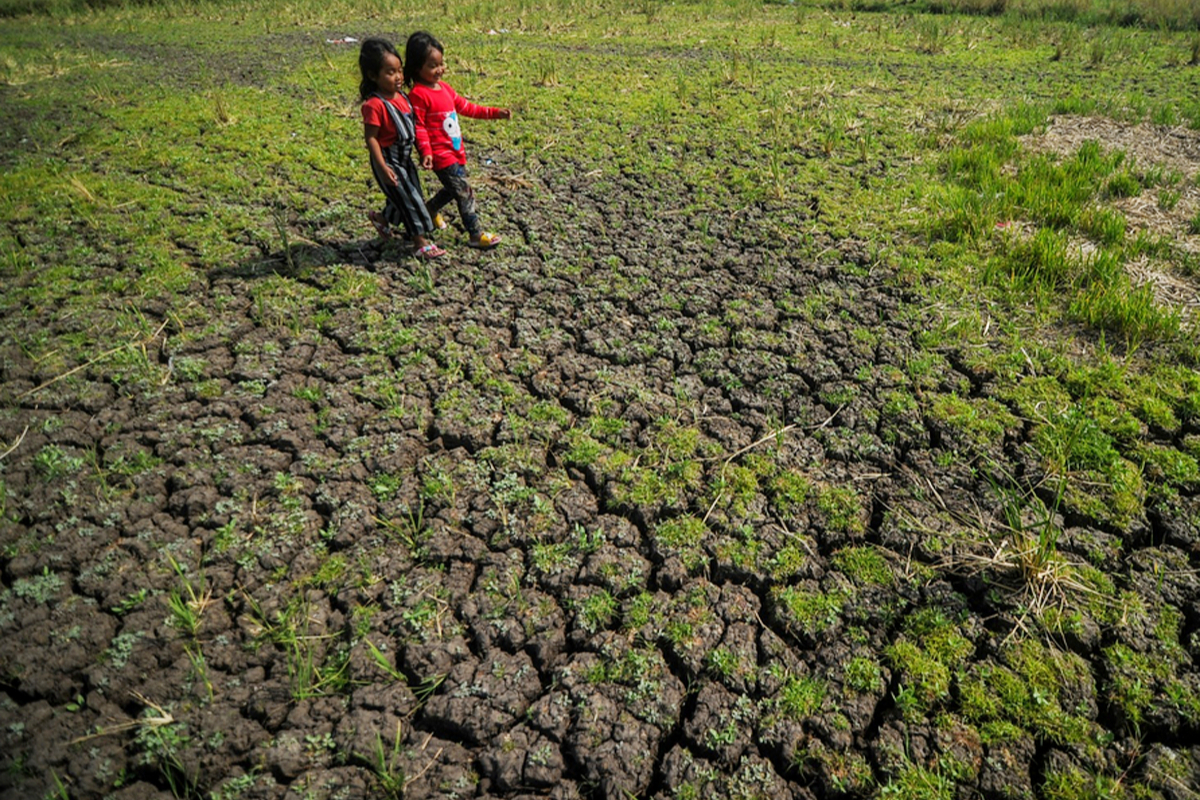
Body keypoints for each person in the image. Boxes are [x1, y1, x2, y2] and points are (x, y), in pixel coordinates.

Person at [404, 31, 511, 250]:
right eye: (433, 66)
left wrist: (494, 113)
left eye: (441, 64)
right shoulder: (418, 94)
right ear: (417, 68)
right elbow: (419, 127)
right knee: (465, 192)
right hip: (441, 156)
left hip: (456, 151)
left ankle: (430, 209)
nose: (439, 70)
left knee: (453, 189)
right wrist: (426, 152)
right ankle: (475, 234)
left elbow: (467, 107)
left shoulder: (445, 89)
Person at [359, 37, 445, 260]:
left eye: (399, 70)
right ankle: (420, 243)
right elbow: (372, 139)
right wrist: (382, 166)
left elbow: (414, 127)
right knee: (411, 200)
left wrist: (424, 151)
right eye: (390, 72)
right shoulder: (374, 105)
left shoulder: (403, 98)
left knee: (409, 193)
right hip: (388, 160)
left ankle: (383, 219)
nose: (398, 77)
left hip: (404, 157)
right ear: (373, 76)